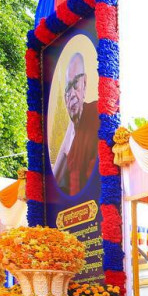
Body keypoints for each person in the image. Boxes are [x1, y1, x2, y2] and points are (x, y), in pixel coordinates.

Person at [53, 53, 100, 196]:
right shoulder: (71, 131)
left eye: (75, 85)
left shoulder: (97, 112)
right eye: (68, 89)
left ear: (84, 83)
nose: (72, 94)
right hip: (76, 206)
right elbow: (53, 183)